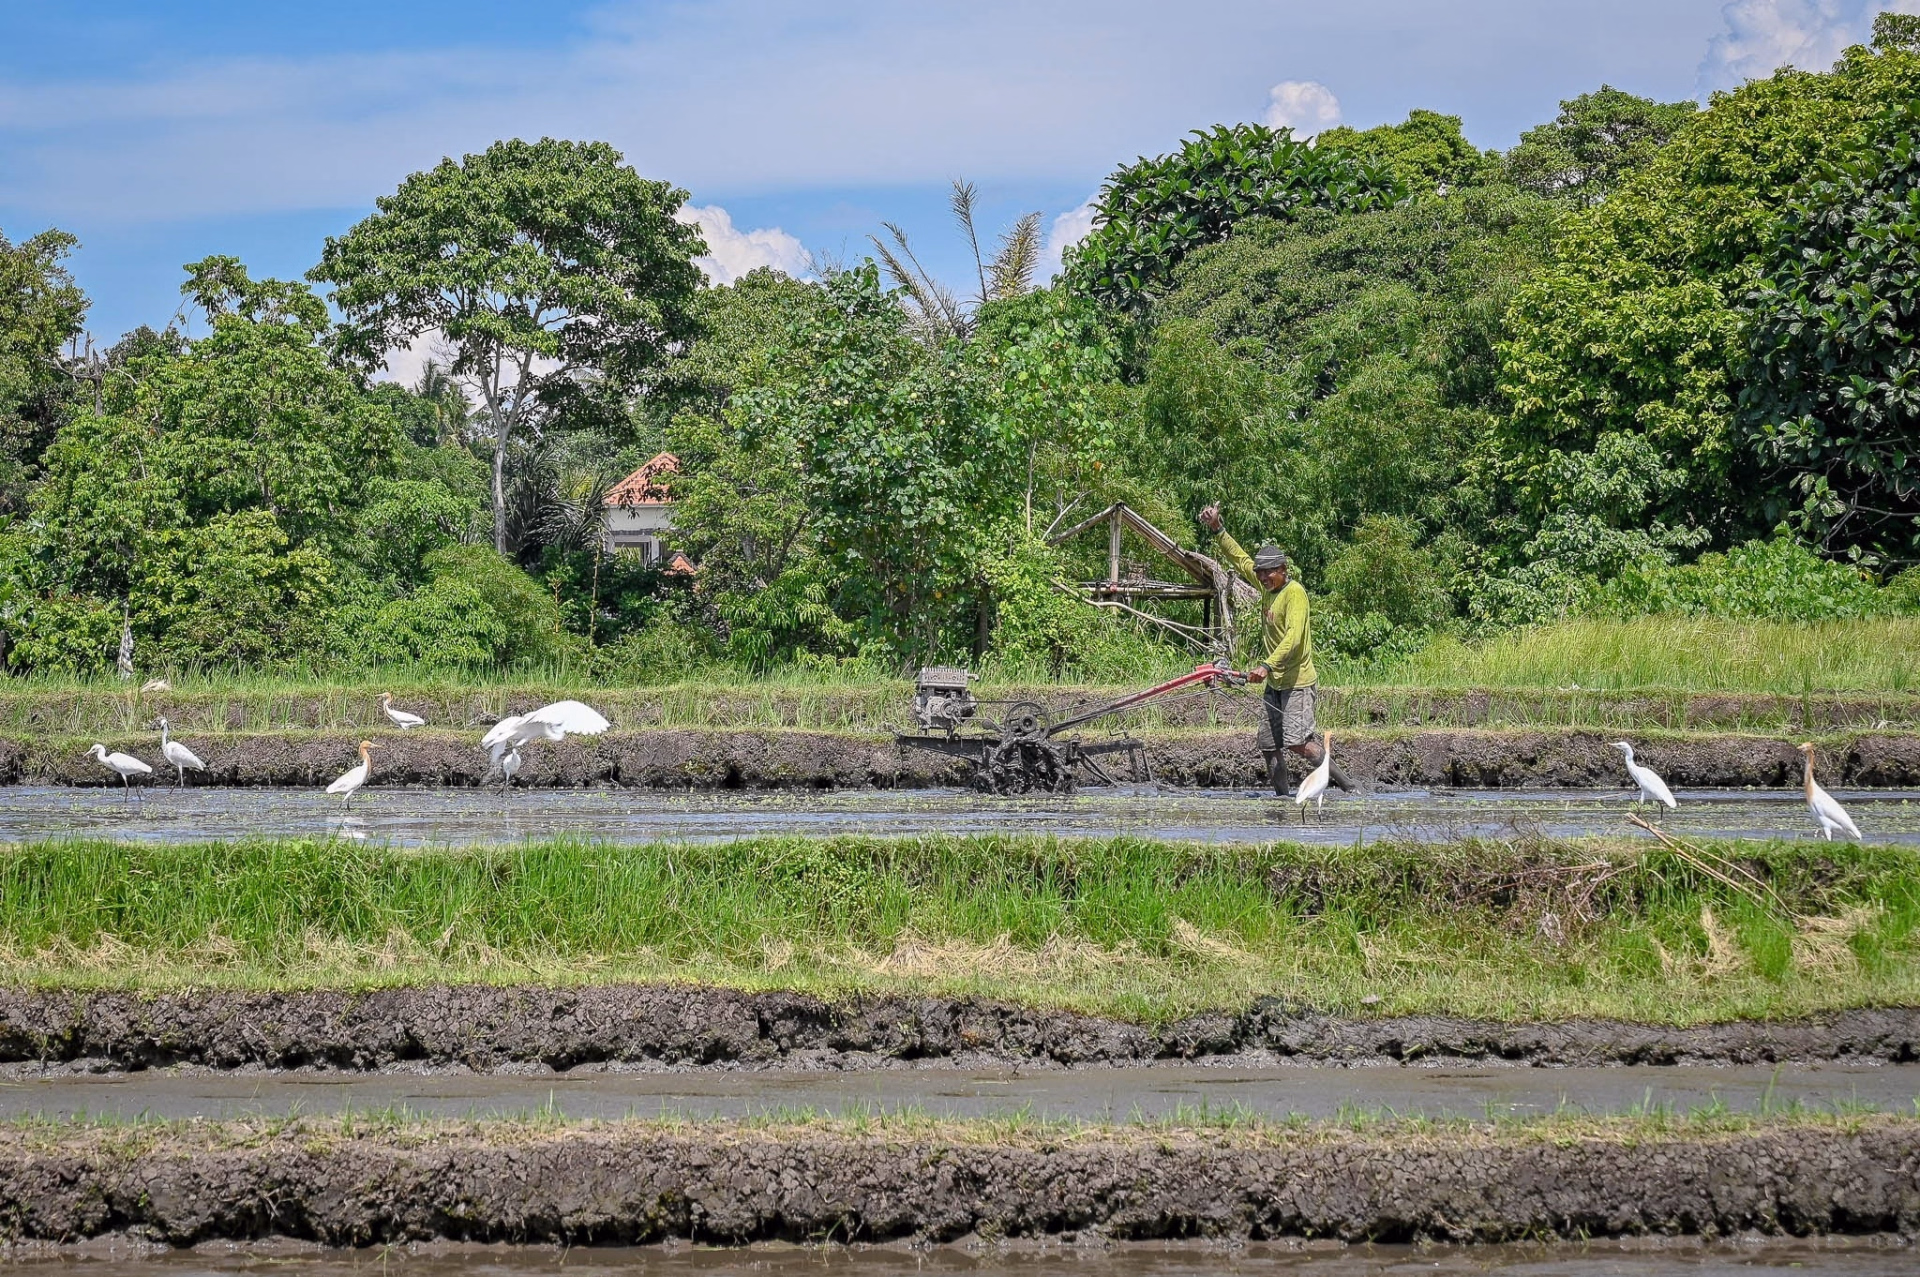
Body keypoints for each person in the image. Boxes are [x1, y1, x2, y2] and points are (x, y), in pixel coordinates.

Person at [1199, 502, 1353, 797]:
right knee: (1269, 746)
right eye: (1260, 574)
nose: (1264, 578)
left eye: (1270, 573)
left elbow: (1294, 638)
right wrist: (1217, 528)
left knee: (1299, 744)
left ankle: (1348, 785)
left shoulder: (1294, 594)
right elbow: (1240, 559)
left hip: (1297, 681)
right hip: (1275, 683)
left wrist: (1266, 665)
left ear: (1283, 570)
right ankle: (1282, 801)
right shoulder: (1266, 587)